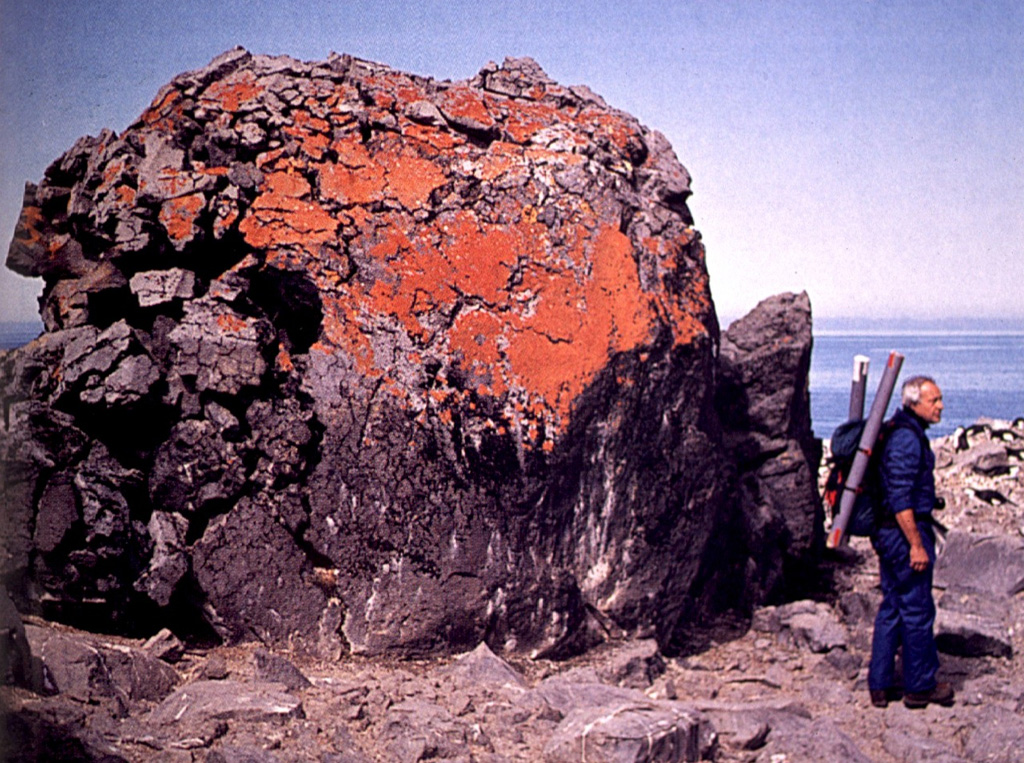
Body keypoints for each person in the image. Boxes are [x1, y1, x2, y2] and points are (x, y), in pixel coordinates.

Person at [868, 375, 955, 709]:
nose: (940, 406)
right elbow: (900, 496)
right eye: (934, 400)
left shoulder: (902, 432)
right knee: (917, 608)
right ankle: (919, 686)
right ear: (914, 403)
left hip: (889, 532)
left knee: (893, 603)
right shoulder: (906, 440)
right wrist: (916, 545)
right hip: (903, 533)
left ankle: (881, 684)